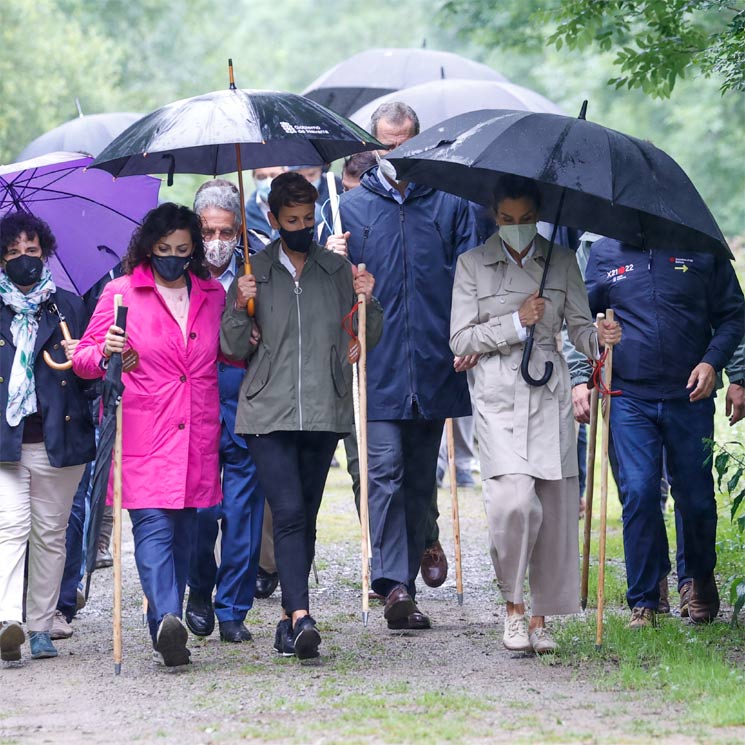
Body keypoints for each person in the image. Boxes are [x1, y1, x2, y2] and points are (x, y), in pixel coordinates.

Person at [449, 176, 621, 653]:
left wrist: (600, 340)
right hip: (498, 396)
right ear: (494, 216)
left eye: (526, 220)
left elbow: (581, 329)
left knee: (552, 506)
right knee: (515, 504)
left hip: (550, 395)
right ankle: (513, 607)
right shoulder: (472, 264)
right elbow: (460, 340)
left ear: (539, 217)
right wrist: (513, 323)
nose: (517, 228)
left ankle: (540, 618)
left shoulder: (563, 262)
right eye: (508, 220)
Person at [325, 102, 478, 629]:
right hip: (377, 362)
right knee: (382, 471)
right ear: (372, 146)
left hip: (436, 358)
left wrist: (468, 334)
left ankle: (410, 562)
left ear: (420, 142)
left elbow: (470, 278)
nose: (395, 154)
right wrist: (332, 258)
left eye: (404, 144)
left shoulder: (452, 204)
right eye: (386, 145)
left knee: (418, 475)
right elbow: (329, 293)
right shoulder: (351, 208)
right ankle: (393, 585)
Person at [220, 172, 382, 659]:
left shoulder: (337, 270)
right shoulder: (256, 270)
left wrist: (366, 301)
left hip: (324, 408)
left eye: (308, 219)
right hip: (267, 412)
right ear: (272, 219)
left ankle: (289, 625)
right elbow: (230, 347)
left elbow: (365, 338)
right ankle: (301, 616)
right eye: (291, 220)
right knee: (287, 512)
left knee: (304, 518)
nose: (302, 227)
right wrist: (238, 304)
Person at [73, 203, 225, 667]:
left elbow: (232, 354)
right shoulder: (122, 294)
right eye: (164, 250)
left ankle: (167, 623)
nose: (173, 258)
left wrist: (246, 321)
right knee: (154, 527)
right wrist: (106, 351)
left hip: (197, 427)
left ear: (193, 250)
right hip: (145, 427)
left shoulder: (212, 293)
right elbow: (82, 358)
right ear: (148, 248)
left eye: (182, 250)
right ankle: (164, 619)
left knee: (188, 531)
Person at [584, 234, 744, 628]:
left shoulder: (702, 247)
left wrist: (713, 362)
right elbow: (579, 318)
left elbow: (734, 315)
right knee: (638, 490)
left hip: (689, 394)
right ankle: (644, 599)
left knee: (696, 498)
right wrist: (594, 340)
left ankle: (699, 579)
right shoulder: (604, 251)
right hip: (628, 394)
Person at [0, 212, 95, 661]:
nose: (24, 260)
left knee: (51, 534)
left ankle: (40, 627)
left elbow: (95, 380)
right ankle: (7, 621)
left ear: (45, 252)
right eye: (14, 252)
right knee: (11, 527)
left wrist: (87, 359)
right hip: (6, 441)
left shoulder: (70, 307)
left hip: (60, 438)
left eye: (32, 251)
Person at [181, 179, 267, 643]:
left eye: (226, 231)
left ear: (240, 231)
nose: (217, 241)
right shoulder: (180, 276)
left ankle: (233, 607)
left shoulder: (258, 271)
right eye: (208, 231)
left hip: (247, 404)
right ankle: (199, 585)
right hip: (194, 407)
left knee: (243, 514)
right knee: (200, 512)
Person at [245, 166, 286, 239]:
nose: (268, 182)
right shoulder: (244, 217)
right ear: (254, 178)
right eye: (261, 177)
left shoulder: (302, 210)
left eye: (274, 175)